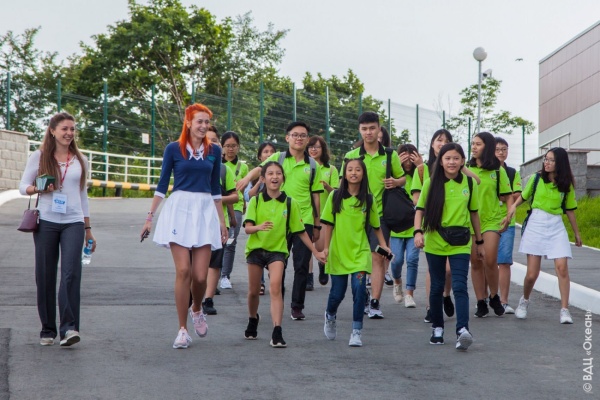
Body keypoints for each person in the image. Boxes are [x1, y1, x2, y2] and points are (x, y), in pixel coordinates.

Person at [141, 103, 227, 349]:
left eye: (206, 122)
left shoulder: (215, 150)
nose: (203, 126)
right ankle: (182, 330)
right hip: (179, 210)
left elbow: (215, 188)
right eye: (199, 121)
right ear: (188, 122)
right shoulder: (173, 149)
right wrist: (149, 217)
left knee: (200, 276)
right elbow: (162, 185)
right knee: (183, 271)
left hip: (204, 211)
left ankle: (196, 308)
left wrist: (222, 222)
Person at [19, 112, 96, 347]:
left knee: (71, 273)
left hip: (73, 222)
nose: (69, 133)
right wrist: (38, 188)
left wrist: (88, 229)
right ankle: (47, 329)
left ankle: (69, 328)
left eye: (72, 129)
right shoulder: (39, 156)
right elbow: (23, 187)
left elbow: (83, 196)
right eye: (64, 129)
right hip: (46, 221)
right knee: (45, 275)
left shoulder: (80, 160)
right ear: (53, 131)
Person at [237, 122, 323, 321]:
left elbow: (316, 196)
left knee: (302, 265)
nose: (299, 138)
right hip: (280, 220)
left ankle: (297, 306)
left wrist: (317, 224)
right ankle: (279, 300)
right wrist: (246, 179)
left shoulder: (312, 165)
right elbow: (259, 169)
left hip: (304, 220)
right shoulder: (278, 158)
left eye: (303, 135)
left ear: (307, 139)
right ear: (287, 138)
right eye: (295, 135)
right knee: (279, 263)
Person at [244, 161, 326, 347]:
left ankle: (277, 331)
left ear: (283, 178)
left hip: (277, 251)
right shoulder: (256, 201)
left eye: (278, 173)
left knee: (275, 288)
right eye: (270, 174)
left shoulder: (291, 203)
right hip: (256, 250)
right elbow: (248, 228)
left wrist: (316, 252)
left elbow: (300, 232)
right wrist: (259, 227)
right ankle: (253, 318)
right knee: (253, 292)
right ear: (263, 179)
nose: (274, 177)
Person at [414, 142, 484, 351]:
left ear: (463, 161)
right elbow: (420, 210)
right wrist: (418, 232)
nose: (452, 162)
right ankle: (437, 328)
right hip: (435, 240)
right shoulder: (430, 183)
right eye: (447, 158)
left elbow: (474, 214)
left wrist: (479, 242)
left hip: (460, 242)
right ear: (441, 161)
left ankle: (463, 330)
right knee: (437, 286)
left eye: (456, 158)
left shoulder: (470, 183)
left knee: (460, 285)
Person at [505, 147, 582, 324]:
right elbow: (523, 196)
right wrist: (512, 208)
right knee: (532, 274)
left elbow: (570, 210)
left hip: (556, 226)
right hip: (536, 224)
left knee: (562, 268)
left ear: (560, 163)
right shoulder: (536, 178)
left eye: (551, 160)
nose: (547, 163)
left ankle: (564, 310)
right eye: (546, 159)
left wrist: (576, 233)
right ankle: (524, 300)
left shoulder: (566, 184)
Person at [341, 112, 404, 319]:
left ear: (379, 129)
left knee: (378, 257)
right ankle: (363, 296)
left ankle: (375, 302)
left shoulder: (390, 155)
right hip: (355, 216)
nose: (368, 132)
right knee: (360, 259)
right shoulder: (351, 155)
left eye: (372, 128)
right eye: (364, 129)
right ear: (359, 130)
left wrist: (396, 182)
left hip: (382, 216)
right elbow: (342, 185)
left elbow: (403, 178)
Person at [322, 158, 390, 347]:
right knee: (337, 294)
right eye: (350, 169)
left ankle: (356, 331)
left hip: (360, 253)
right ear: (344, 174)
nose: (353, 173)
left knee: (359, 290)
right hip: (338, 253)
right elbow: (328, 225)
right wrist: (326, 248)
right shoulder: (335, 196)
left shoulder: (368, 199)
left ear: (363, 174)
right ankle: (330, 315)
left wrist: (383, 245)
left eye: (357, 169)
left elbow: (376, 226)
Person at [408, 129, 461, 322]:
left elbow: (475, 182)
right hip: (432, 226)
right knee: (434, 270)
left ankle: (446, 295)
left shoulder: (457, 169)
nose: (442, 143)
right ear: (432, 144)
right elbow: (416, 200)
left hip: (454, 227)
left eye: (447, 141)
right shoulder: (422, 169)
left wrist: (461, 166)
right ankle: (432, 306)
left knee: (448, 270)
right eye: (439, 140)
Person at [467, 132, 513, 318]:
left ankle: (494, 296)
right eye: (473, 143)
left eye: (478, 144)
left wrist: (508, 216)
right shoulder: (467, 169)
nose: (474, 147)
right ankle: (481, 301)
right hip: (470, 222)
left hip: (492, 220)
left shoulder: (498, 171)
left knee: (490, 259)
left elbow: (508, 196)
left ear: (487, 146)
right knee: (475, 262)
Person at [202, 127, 239, 315]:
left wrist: (228, 214)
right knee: (196, 262)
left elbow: (234, 196)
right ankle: (195, 294)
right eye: (206, 140)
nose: (210, 143)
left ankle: (208, 299)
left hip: (218, 223)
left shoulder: (224, 170)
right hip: (196, 222)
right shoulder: (190, 166)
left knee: (215, 262)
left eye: (214, 140)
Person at [390, 144, 421, 308]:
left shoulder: (419, 173)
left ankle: (409, 293)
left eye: (411, 158)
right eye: (404, 158)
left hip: (414, 225)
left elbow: (428, 186)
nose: (408, 162)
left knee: (412, 259)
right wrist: (396, 168)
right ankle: (397, 281)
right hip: (396, 226)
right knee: (396, 261)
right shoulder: (395, 175)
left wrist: (420, 166)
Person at [244, 142, 277, 295]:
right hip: (257, 216)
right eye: (265, 152)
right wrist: (259, 181)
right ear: (259, 156)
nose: (269, 154)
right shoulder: (255, 176)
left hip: (275, 216)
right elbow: (248, 196)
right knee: (258, 248)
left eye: (272, 151)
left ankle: (274, 272)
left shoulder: (278, 174)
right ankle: (261, 282)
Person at [307, 135, 340, 287]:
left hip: (324, 214)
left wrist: (326, 186)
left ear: (323, 149)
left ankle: (322, 264)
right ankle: (308, 277)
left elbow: (337, 193)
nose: (313, 150)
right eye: (311, 147)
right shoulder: (305, 167)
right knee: (306, 247)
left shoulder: (331, 169)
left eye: (317, 147)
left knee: (320, 247)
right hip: (306, 212)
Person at [494, 137, 522, 314]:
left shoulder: (512, 172)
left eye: (504, 149)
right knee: (486, 262)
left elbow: (517, 195)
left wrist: (503, 196)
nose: (501, 152)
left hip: (508, 222)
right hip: (487, 222)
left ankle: (503, 301)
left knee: (504, 261)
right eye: (497, 149)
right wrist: (508, 195)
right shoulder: (486, 172)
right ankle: (486, 298)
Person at [220, 130, 249, 290]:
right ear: (222, 147)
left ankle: (225, 275)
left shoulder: (243, 167)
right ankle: (214, 273)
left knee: (230, 241)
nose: (230, 149)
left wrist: (243, 205)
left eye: (234, 146)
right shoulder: (218, 166)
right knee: (216, 242)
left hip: (235, 207)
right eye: (227, 146)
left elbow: (243, 190)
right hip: (218, 207)